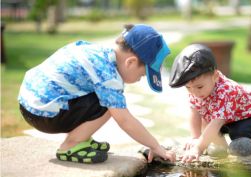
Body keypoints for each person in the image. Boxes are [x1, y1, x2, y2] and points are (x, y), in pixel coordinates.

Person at [18, 24, 176, 164]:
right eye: (142, 75)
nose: (139, 80)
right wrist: (155, 146)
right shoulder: (108, 75)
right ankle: (71, 145)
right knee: (111, 104)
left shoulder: (97, 53)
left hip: (29, 104)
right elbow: (125, 120)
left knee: (107, 98)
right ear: (131, 62)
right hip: (44, 115)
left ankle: (82, 138)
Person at [169, 44, 251, 163]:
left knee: (238, 133)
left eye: (199, 87)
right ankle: (223, 153)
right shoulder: (196, 90)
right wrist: (195, 137)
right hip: (228, 118)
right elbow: (195, 113)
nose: (194, 92)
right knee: (206, 123)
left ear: (215, 76)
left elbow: (216, 123)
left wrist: (198, 149)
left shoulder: (227, 91)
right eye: (188, 88)